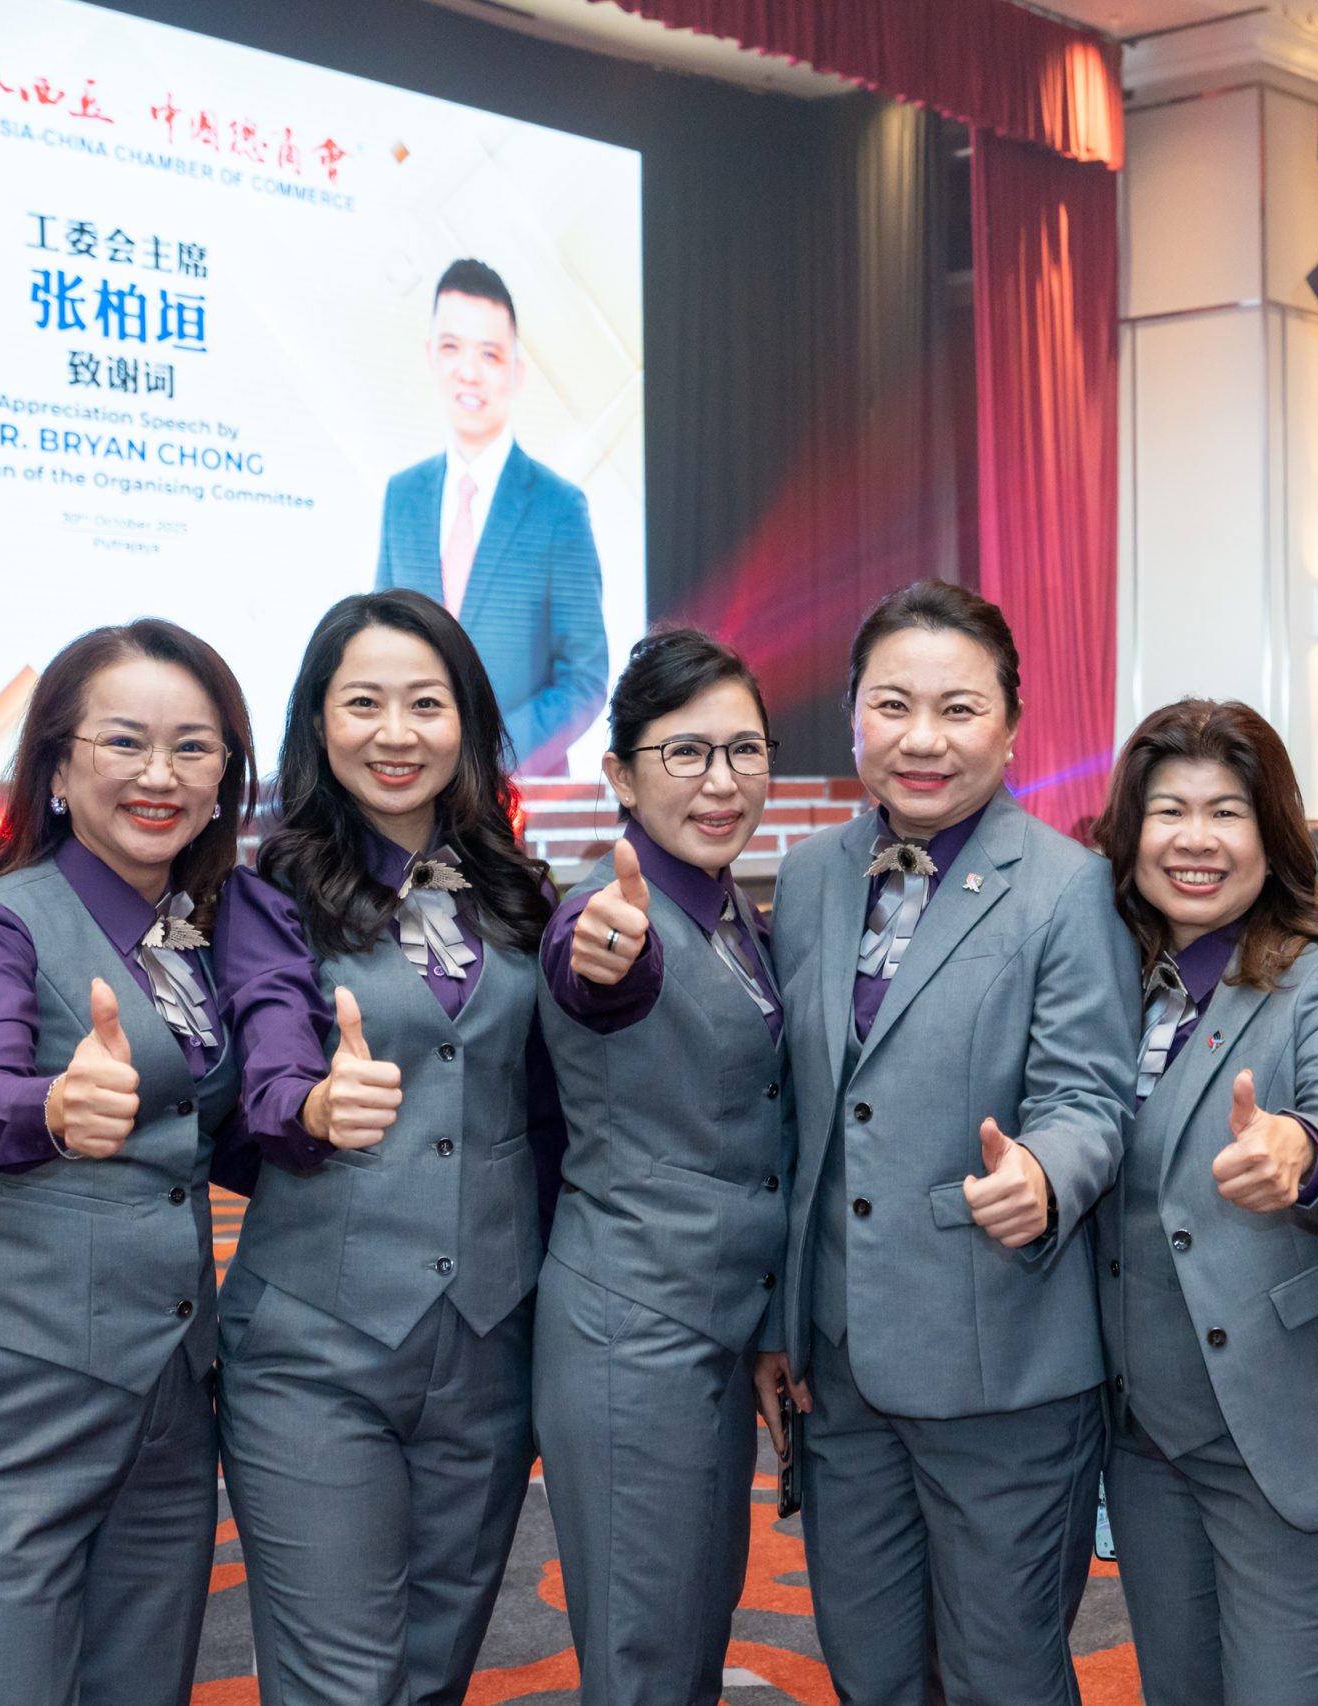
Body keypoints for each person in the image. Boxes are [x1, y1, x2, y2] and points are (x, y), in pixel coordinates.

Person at [765, 580, 1137, 1706]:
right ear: (853, 717)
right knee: (869, 1670)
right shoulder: (808, 876)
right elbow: (797, 1115)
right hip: (840, 1369)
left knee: (1003, 1675)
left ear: (1012, 726)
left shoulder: (1069, 886)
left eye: (959, 708)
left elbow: (1090, 1095)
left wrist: (1045, 1175)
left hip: (1000, 1361)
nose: (922, 739)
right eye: (893, 704)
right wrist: (779, 1321)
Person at [0, 619, 255, 1706]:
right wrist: (53, 1104)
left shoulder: (199, 938)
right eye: (124, 741)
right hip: (7, 1419)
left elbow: (212, 1140)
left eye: (193, 747)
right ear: (53, 767)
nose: (160, 774)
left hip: (166, 1419)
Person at [212, 589, 555, 1705]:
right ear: (319, 722)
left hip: (491, 1342)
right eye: (363, 703)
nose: (395, 733)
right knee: (341, 1680)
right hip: (317, 1345)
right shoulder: (266, 896)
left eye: (426, 703)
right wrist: (314, 1106)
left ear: (468, 722)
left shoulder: (517, 891)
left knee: (434, 1666)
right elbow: (269, 1060)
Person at [1089, 698, 1318, 1705]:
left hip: (1284, 1421)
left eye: (1226, 811)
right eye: (1168, 810)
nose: (1196, 839)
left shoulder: (1314, 981)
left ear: (1270, 835)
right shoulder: (1097, 980)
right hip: (1144, 1434)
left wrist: (1304, 1153)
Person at [533, 628, 792, 1705]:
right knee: (645, 1656)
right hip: (631, 1336)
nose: (721, 781)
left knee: (691, 1633)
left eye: (744, 750)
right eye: (685, 752)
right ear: (621, 774)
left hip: (711, 1329)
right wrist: (604, 956)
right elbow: (594, 970)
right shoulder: (613, 912)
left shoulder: (728, 904)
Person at [375, 258, 609, 777]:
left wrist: (488, 756)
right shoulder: (402, 496)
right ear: (431, 356)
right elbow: (378, 647)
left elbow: (585, 679)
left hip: (518, 795)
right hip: (406, 788)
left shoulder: (559, 507)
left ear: (516, 372)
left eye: (489, 354)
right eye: (451, 347)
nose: (469, 371)